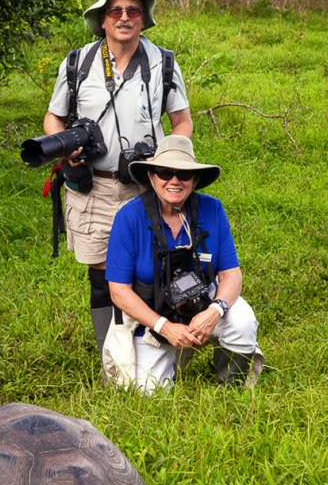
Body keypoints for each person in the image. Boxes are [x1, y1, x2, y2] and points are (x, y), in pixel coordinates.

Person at [43, 0, 192, 362]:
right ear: (103, 20)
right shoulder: (78, 63)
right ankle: (111, 356)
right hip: (93, 186)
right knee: (102, 275)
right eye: (115, 11)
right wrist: (65, 152)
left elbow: (182, 122)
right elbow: (52, 119)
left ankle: (152, 346)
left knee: (150, 267)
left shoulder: (163, 63)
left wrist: (170, 164)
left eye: (132, 10)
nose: (124, 17)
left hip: (147, 186)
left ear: (143, 18)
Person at [103, 135, 264, 393]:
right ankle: (171, 358)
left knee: (242, 321)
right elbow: (118, 291)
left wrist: (214, 312)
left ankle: (233, 386)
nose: (174, 180)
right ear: (152, 177)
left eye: (184, 174)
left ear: (195, 180)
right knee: (146, 391)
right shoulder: (128, 217)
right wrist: (165, 327)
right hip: (150, 313)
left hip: (203, 300)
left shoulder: (213, 209)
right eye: (165, 172)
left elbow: (232, 275)